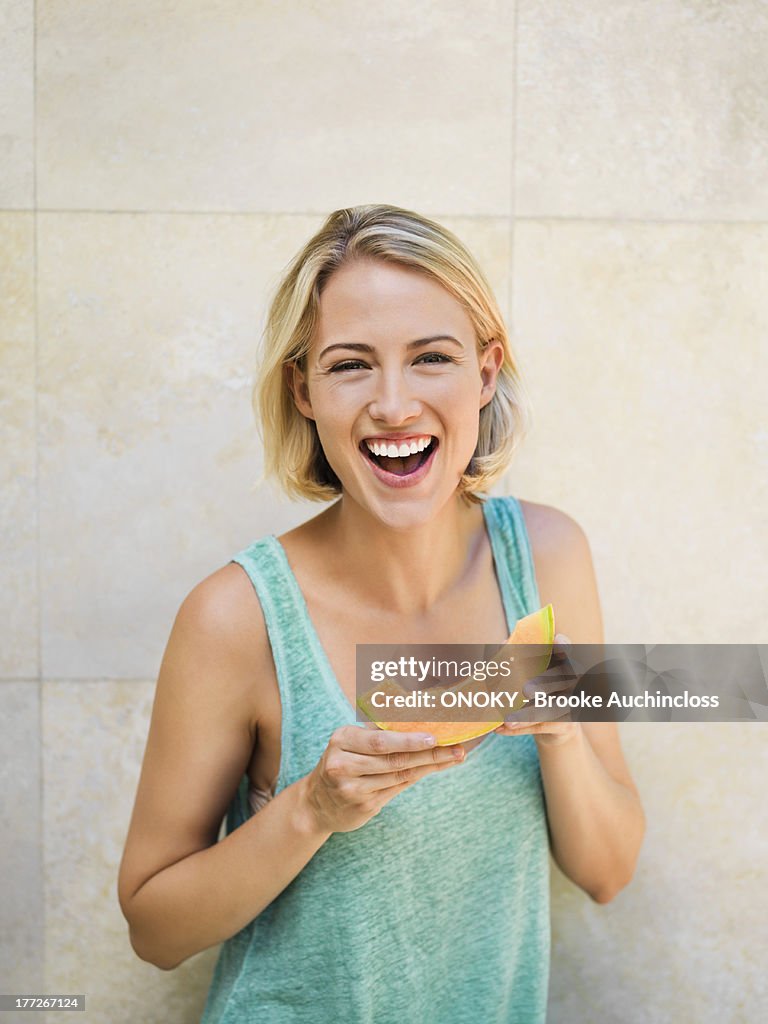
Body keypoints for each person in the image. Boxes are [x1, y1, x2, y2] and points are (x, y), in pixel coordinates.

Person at [118, 204, 645, 1023]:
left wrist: (563, 728)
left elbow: (609, 871)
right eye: (351, 365)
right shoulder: (235, 617)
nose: (394, 405)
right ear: (305, 391)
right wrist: (310, 810)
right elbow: (154, 930)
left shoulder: (548, 560)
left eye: (431, 357)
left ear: (485, 371)